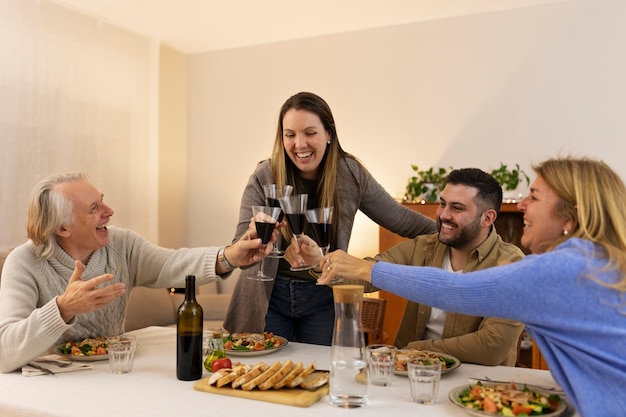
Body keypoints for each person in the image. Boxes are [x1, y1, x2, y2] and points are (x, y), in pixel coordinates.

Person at [318, 157, 626, 417]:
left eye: (534, 196)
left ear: (571, 215)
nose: (521, 204)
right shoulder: (595, 261)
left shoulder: (565, 267)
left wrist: (367, 268)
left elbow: (454, 291)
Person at [0, 172, 278, 373]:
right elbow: (4, 352)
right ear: (63, 228)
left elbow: (172, 264)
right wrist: (62, 308)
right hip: (49, 387)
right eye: (94, 208)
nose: (109, 211)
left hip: (114, 373)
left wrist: (229, 256)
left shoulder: (121, 245)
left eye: (103, 201)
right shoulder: (24, 262)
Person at [223, 92, 437, 345]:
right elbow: (240, 250)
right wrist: (252, 241)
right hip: (267, 299)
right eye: (290, 134)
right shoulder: (264, 175)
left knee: (322, 376)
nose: (299, 144)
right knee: (267, 378)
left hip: (323, 296)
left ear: (329, 134)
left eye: (310, 133)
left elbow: (403, 220)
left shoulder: (350, 174)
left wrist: (455, 236)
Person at [382, 168, 525, 366]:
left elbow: (491, 346)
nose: (443, 215)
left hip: (479, 387)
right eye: (442, 204)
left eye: (457, 208)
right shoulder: (423, 246)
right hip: (412, 374)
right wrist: (324, 263)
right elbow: (368, 270)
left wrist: (418, 349)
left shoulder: (512, 264)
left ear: (488, 218)